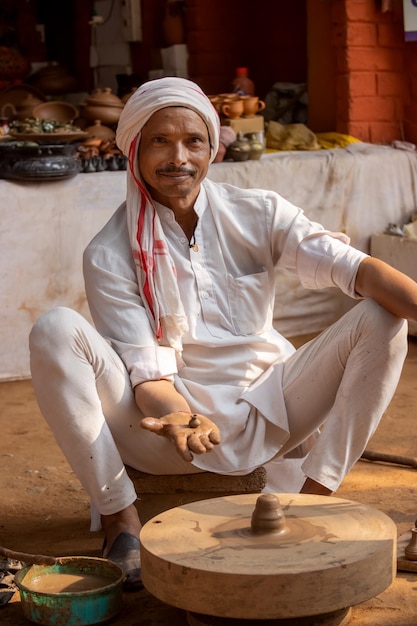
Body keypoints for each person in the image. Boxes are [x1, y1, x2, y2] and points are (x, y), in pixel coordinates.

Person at [29, 77, 417, 591]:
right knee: (55, 329)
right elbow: (148, 375)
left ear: (213, 148)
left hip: (274, 407)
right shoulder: (109, 251)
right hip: (167, 429)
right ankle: (121, 519)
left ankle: (313, 497)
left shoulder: (259, 212)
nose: (179, 157)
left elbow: (356, 269)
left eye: (194, 141)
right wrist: (181, 416)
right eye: (160, 141)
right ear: (135, 150)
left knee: (383, 315)